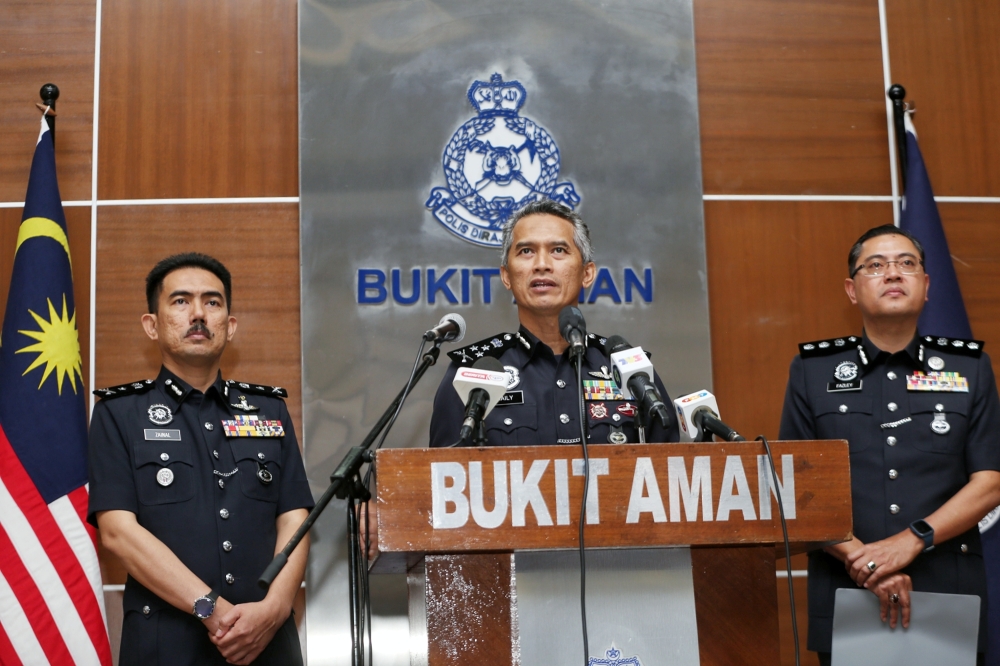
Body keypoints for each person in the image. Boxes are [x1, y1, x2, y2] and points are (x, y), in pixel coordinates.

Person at [778, 225, 1000, 665]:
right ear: (852, 289)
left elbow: (990, 482)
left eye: (907, 264)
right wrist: (869, 563)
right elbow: (796, 487)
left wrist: (912, 541)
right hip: (847, 585)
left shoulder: (969, 368)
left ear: (927, 285)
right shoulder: (812, 370)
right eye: (875, 266)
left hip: (946, 590)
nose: (893, 274)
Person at [87, 253, 314, 666]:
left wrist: (276, 609)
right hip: (165, 644)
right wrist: (214, 611)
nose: (197, 314)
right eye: (180, 301)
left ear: (230, 325)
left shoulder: (268, 411)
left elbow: (295, 520)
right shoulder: (118, 413)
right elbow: (118, 533)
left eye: (212, 302)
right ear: (151, 325)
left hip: (266, 641)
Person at [429, 199, 679, 448]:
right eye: (526, 251)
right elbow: (442, 477)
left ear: (587, 273)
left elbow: (670, 471)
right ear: (506, 276)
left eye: (558, 250)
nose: (541, 265)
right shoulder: (473, 373)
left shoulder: (631, 371)